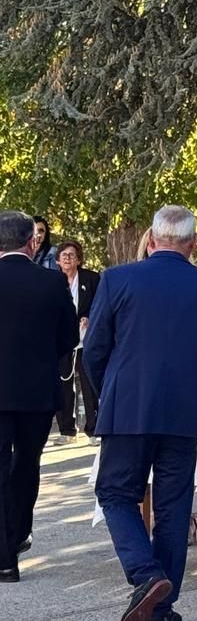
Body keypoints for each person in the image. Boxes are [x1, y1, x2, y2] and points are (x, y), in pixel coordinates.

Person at [86, 205, 197, 621]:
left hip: (128, 408)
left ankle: (145, 574)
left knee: (116, 493)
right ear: (194, 244)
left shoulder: (117, 279)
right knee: (173, 508)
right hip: (185, 414)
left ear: (153, 239)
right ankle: (162, 607)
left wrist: (111, 392)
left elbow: (94, 350)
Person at [0, 210, 78, 583]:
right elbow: (69, 338)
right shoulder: (51, 282)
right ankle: (15, 538)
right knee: (26, 464)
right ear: (31, 242)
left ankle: (4, 557)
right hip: (36, 391)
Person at [55, 240, 101, 443]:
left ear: (79, 259)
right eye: (63, 254)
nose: (67, 257)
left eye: (71, 254)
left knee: (89, 384)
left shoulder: (91, 279)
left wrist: (89, 317)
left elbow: (101, 303)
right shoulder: (52, 280)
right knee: (64, 385)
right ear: (57, 260)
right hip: (62, 340)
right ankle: (66, 430)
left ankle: (93, 429)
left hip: (86, 340)